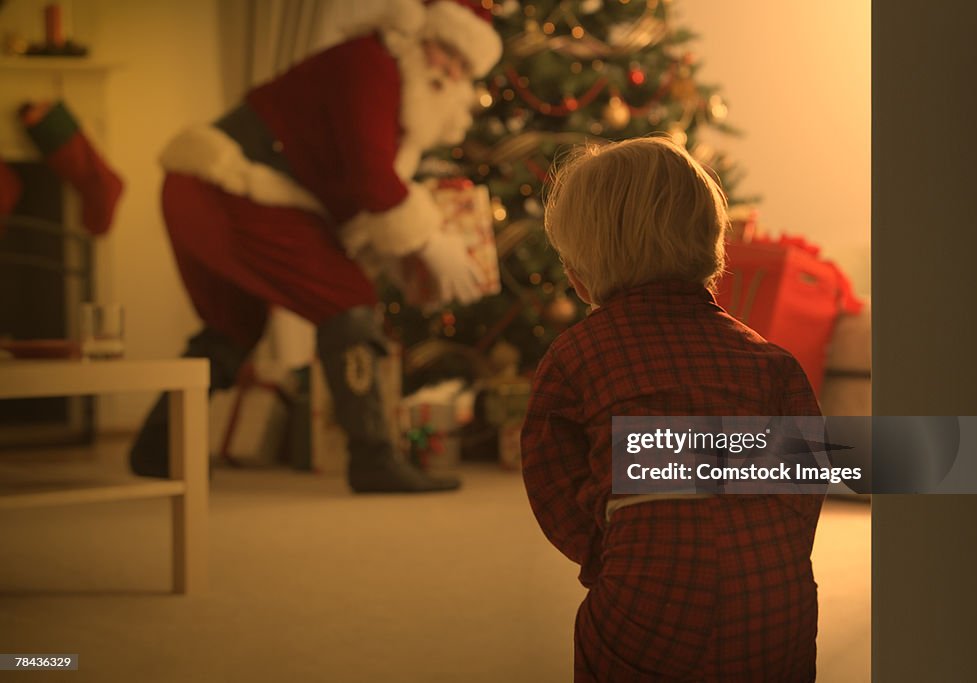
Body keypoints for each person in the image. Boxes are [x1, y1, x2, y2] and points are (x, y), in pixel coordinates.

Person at [129, 0, 502, 493]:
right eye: (444, 51)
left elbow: (352, 187)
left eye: (463, 67)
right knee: (348, 300)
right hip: (230, 182)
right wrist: (429, 240)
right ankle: (373, 459)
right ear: (415, 34)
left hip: (204, 187)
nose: (449, 71)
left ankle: (156, 446)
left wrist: (411, 247)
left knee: (232, 324)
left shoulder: (391, 83)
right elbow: (370, 179)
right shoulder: (373, 63)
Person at [521, 136, 824, 681]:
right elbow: (808, 481)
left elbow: (552, 481)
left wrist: (607, 554)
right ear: (715, 248)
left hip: (649, 590)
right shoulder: (771, 362)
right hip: (775, 601)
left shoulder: (574, 357)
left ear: (577, 277)